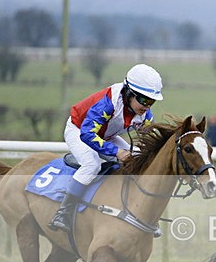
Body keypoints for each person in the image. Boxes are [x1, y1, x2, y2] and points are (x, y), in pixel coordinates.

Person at [49, 63, 164, 233]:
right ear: (129, 93)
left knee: (140, 159)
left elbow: (150, 139)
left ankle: (143, 214)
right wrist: (117, 152)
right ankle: (63, 212)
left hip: (106, 135)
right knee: (92, 164)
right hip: (79, 130)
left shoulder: (144, 113)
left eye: (152, 101)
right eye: (144, 100)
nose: (147, 106)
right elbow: (87, 134)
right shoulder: (108, 102)